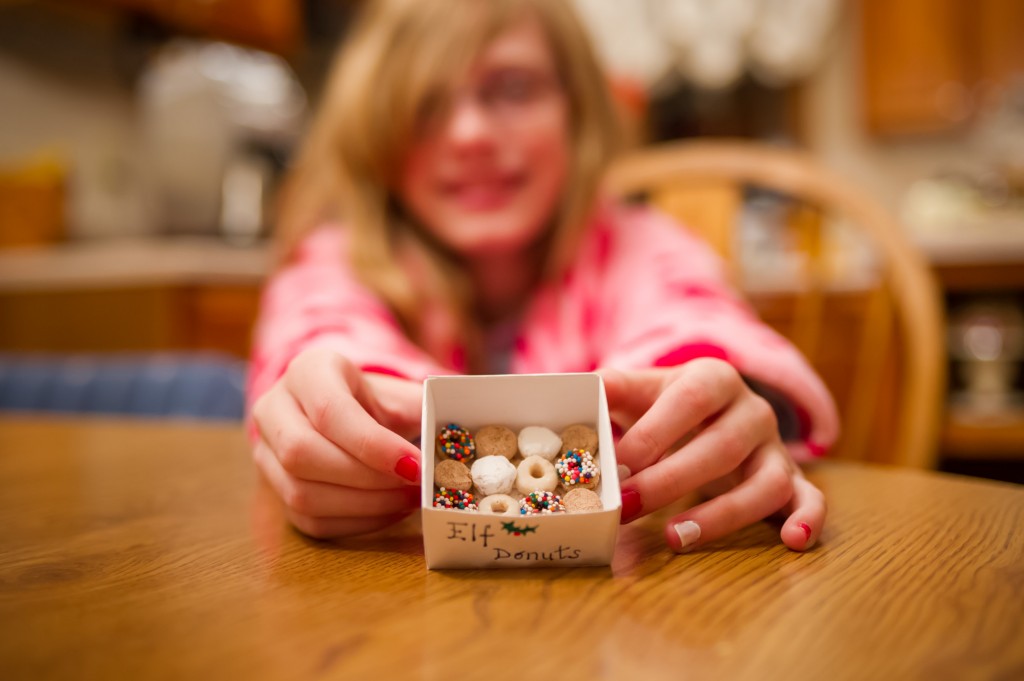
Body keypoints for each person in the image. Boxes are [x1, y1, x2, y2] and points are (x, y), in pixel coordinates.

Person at [247, 0, 839, 553]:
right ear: (379, 134)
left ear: (576, 112)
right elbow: (324, 336)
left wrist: (714, 414)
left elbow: (694, 322)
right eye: (426, 102)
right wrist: (342, 419)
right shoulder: (336, 261)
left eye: (512, 88)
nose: (470, 134)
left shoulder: (644, 245)